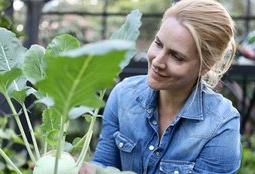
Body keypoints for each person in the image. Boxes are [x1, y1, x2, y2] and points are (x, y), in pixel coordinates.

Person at [85, 0, 242, 173]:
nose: (157, 61)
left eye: (176, 56)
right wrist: (76, 167)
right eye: (158, 43)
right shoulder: (123, 95)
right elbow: (105, 164)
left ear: (205, 66)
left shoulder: (220, 125)